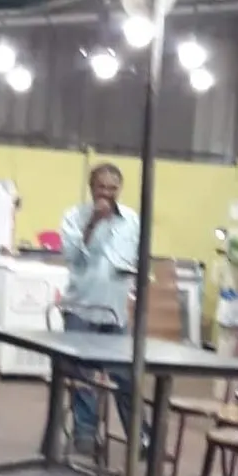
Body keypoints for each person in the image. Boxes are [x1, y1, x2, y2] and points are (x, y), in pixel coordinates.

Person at [59, 162, 142, 455]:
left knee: (126, 375)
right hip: (81, 307)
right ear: (91, 187)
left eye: (112, 188)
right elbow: (72, 257)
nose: (106, 193)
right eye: (101, 187)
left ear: (120, 189)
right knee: (83, 376)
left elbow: (135, 258)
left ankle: (139, 437)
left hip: (114, 310)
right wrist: (92, 224)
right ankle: (85, 435)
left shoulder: (132, 220)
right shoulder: (74, 216)